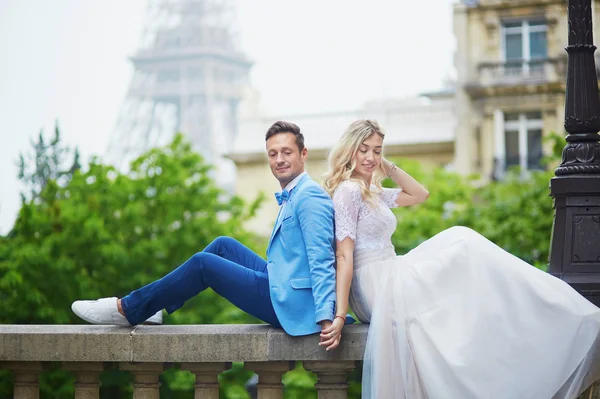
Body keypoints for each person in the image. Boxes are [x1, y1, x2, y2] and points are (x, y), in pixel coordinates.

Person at [321, 119, 600, 399]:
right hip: (376, 283)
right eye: (364, 150)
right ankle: (552, 308)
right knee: (462, 243)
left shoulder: (373, 193)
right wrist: (340, 315)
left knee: (465, 269)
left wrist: (386, 166)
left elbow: (420, 194)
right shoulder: (349, 191)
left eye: (377, 150)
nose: (371, 157)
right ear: (350, 150)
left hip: (387, 275)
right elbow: (343, 254)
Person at [72, 121, 353, 341]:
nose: (279, 159)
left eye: (287, 152)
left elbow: (323, 261)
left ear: (303, 155)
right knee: (222, 245)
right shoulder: (297, 192)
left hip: (293, 303)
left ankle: (129, 308)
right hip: (282, 281)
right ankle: (158, 306)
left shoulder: (310, 197)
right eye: (273, 153)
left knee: (204, 264)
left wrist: (328, 317)